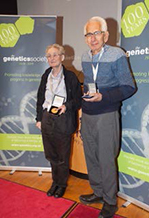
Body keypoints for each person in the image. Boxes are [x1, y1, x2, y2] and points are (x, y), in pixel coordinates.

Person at [79, 16, 136, 218]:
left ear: (105, 35)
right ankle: (98, 192)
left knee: (106, 159)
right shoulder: (85, 57)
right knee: (91, 157)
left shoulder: (117, 54)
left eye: (96, 33)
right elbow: (88, 84)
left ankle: (110, 201)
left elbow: (129, 87)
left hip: (107, 114)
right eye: (88, 34)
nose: (92, 38)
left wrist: (104, 96)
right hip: (88, 114)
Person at [36, 44, 82, 198]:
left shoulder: (70, 77)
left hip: (63, 119)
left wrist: (66, 106)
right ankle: (54, 182)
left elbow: (78, 100)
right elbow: (40, 98)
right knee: (51, 155)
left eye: (55, 55)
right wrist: (39, 118)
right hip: (47, 118)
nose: (52, 58)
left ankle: (61, 185)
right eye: (49, 56)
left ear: (62, 57)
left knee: (62, 156)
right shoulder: (45, 75)